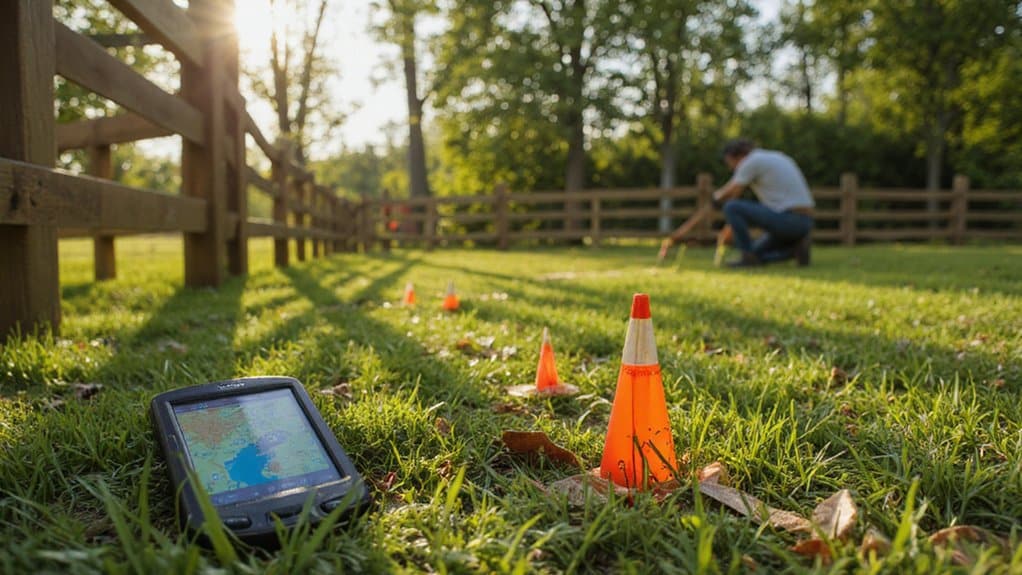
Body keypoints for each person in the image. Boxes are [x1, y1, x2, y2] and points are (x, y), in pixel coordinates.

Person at [659, 139, 814, 267]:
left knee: (732, 207)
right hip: (804, 222)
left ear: (737, 157)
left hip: (788, 219)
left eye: (730, 163)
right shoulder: (777, 157)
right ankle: (795, 249)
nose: (731, 168)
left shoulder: (752, 161)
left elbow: (732, 192)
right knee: (758, 253)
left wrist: (715, 198)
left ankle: (747, 256)